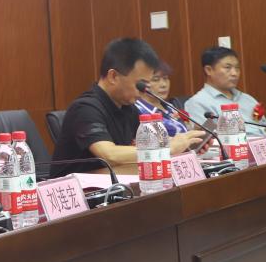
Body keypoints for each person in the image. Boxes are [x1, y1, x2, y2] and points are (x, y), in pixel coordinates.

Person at [51, 38, 206, 176]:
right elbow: (109, 154)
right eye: (140, 84)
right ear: (113, 76)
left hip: (117, 184)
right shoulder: (85, 108)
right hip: (79, 193)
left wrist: (187, 144)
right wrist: (167, 148)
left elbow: (148, 144)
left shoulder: (128, 107)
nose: (145, 91)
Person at [185, 46, 266, 135]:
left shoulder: (247, 99)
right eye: (228, 67)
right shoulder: (197, 103)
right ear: (209, 70)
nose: (234, 73)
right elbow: (205, 140)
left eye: (237, 68)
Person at [135, 60, 191, 136]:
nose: (164, 85)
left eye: (165, 78)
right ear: (141, 83)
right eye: (156, 80)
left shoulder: (170, 106)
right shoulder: (138, 110)